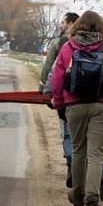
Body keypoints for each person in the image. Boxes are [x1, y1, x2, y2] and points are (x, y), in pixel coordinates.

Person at [50, 10, 103, 206]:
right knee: (95, 154)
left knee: (78, 151)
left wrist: (59, 104)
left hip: (74, 105)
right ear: (101, 27)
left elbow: (56, 79)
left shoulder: (68, 47)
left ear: (77, 26)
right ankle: (92, 202)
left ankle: (77, 194)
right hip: (101, 106)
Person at [39, 12, 80, 187]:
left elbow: (50, 67)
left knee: (68, 132)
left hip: (66, 94)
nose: (60, 25)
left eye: (63, 22)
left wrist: (44, 89)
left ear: (71, 23)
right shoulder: (97, 43)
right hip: (91, 96)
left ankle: (72, 164)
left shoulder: (62, 43)